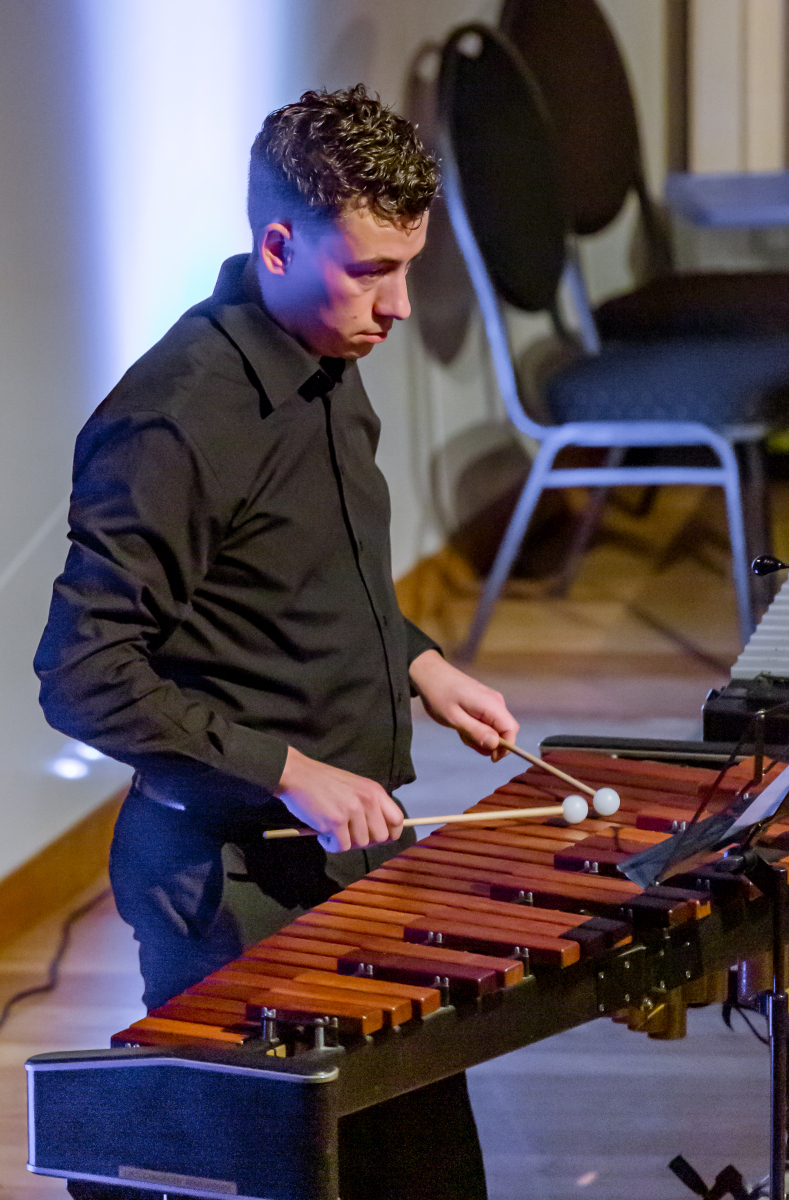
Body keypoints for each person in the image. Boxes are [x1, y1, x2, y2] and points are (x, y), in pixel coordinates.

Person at [35, 85, 519, 1200]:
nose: (400, 308)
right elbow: (83, 673)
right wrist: (292, 770)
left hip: (347, 851)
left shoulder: (326, 359)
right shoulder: (176, 419)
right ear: (277, 246)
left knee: (425, 1175)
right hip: (230, 878)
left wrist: (417, 660)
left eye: (410, 267)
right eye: (371, 271)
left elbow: (296, 575)